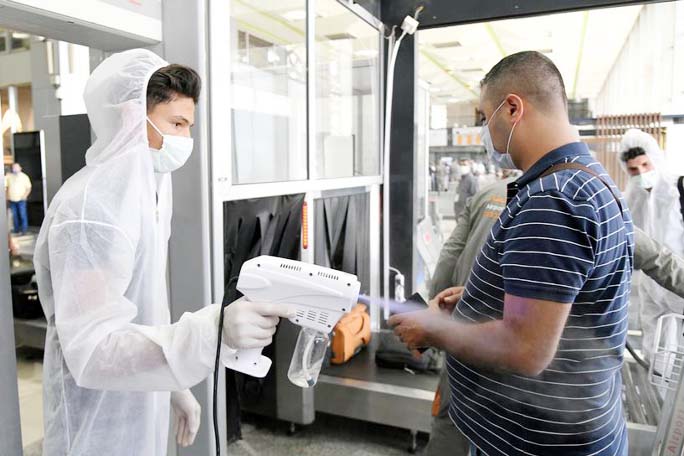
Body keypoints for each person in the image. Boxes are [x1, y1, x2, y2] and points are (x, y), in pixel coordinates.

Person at [34, 49, 294, 456]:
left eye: (188, 126)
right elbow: (92, 350)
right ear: (130, 116)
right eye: (176, 123)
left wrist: (173, 383)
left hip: (137, 399)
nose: (184, 140)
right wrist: (211, 331)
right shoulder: (91, 211)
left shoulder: (143, 194)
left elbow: (141, 312)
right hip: (94, 422)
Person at [390, 51, 632, 455]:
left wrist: (432, 330)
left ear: (514, 108)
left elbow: (527, 349)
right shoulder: (584, 180)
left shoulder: (552, 200)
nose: (484, 131)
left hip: (541, 442)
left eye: (485, 118)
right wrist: (484, 295)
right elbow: (568, 298)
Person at [426, 177, 684, 456]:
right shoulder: (590, 204)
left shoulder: (489, 192)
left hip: (467, 341)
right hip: (531, 367)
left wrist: (434, 319)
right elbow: (659, 259)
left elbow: (449, 258)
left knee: (453, 426)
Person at [618, 128, 684, 362]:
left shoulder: (679, 190)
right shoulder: (630, 201)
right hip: (651, 290)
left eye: (645, 165)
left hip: (680, 282)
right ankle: (658, 394)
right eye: (633, 169)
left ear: (655, 159)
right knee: (655, 351)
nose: (641, 173)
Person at [5, 162, 32, 235]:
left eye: (16, 167)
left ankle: (24, 230)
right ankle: (16, 230)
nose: (15, 169)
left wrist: (25, 196)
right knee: (15, 216)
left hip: (21, 200)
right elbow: (6, 187)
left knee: (22, 215)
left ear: (20, 168)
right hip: (12, 199)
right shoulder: (9, 176)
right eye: (13, 167)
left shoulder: (24, 177)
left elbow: (28, 188)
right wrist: (7, 197)